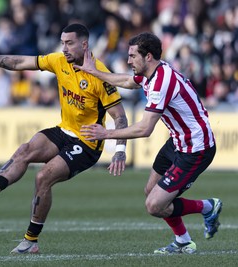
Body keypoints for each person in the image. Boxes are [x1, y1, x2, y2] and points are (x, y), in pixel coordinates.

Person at [0, 23, 128, 254]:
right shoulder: (58, 61)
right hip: (64, 130)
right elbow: (19, 63)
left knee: (43, 177)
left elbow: (120, 117)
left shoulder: (100, 74)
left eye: (69, 43)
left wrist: (120, 150)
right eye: (62, 42)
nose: (64, 48)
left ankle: (30, 241)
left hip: (87, 143)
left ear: (84, 44)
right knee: (24, 150)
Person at [74, 32, 222, 254]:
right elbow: (126, 80)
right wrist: (94, 72)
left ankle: (208, 207)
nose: (128, 60)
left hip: (196, 148)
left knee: (154, 205)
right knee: (150, 190)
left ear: (149, 57)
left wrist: (107, 134)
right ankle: (183, 241)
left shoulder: (162, 82)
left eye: (133, 56)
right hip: (178, 141)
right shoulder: (152, 73)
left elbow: (145, 129)